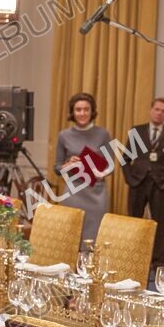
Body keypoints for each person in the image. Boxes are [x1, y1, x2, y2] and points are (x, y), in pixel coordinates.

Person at [122, 97, 164, 266]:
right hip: (137, 184)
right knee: (133, 221)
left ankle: (157, 262)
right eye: (157, 109)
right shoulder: (137, 132)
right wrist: (130, 179)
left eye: (163, 111)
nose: (159, 113)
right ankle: (132, 256)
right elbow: (125, 158)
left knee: (158, 224)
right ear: (151, 110)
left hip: (158, 186)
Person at [54, 92, 113, 243]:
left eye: (86, 109)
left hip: (96, 194)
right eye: (78, 109)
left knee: (93, 239)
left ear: (92, 111)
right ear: (72, 112)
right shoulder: (64, 135)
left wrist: (99, 172)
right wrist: (68, 164)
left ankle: (89, 267)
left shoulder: (103, 134)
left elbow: (110, 166)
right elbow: (57, 168)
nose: (82, 113)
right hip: (73, 193)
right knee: (70, 238)